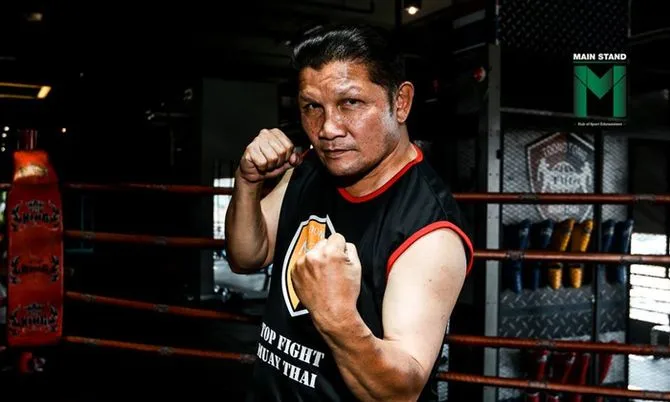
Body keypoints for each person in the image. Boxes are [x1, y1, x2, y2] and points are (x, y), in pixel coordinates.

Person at [225, 23, 474, 402]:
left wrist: (335, 316)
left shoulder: (429, 230)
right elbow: (247, 256)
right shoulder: (309, 167)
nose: (327, 129)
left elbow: (399, 392)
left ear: (401, 102)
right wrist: (247, 182)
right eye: (313, 107)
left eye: (350, 103)